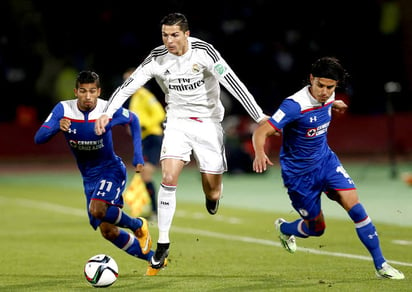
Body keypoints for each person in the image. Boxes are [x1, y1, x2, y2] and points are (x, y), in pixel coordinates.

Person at [94, 12, 268, 275]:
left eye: (174, 34)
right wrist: (106, 112)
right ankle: (163, 241)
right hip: (176, 121)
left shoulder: (204, 52)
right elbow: (128, 86)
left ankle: (212, 198)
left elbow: (233, 83)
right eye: (165, 35)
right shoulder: (157, 57)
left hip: (208, 123)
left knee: (212, 190)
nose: (169, 40)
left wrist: (259, 116)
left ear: (186, 34)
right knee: (169, 175)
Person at [252, 57, 404, 280]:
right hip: (299, 175)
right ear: (311, 79)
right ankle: (285, 229)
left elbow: (324, 102)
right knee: (316, 229)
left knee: (356, 208)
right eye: (320, 86)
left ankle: (381, 265)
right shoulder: (293, 105)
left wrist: (333, 103)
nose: (324, 91)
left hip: (326, 163)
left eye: (330, 88)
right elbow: (261, 131)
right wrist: (259, 153)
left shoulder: (329, 96)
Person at [34, 70, 155, 269]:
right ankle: (154, 259)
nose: (87, 96)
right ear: (76, 92)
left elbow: (133, 119)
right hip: (89, 177)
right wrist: (57, 126)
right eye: (83, 91)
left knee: (98, 209)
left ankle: (138, 225)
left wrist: (138, 155)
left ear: (98, 91)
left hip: (111, 169)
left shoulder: (107, 108)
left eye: (92, 91)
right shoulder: (63, 109)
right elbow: (39, 139)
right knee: (108, 231)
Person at [122, 67, 166, 220]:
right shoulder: (135, 97)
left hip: (153, 137)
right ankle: (155, 210)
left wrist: (144, 125)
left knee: (146, 174)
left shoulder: (145, 95)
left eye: (130, 80)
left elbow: (160, 114)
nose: (127, 83)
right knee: (143, 174)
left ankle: (156, 211)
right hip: (145, 139)